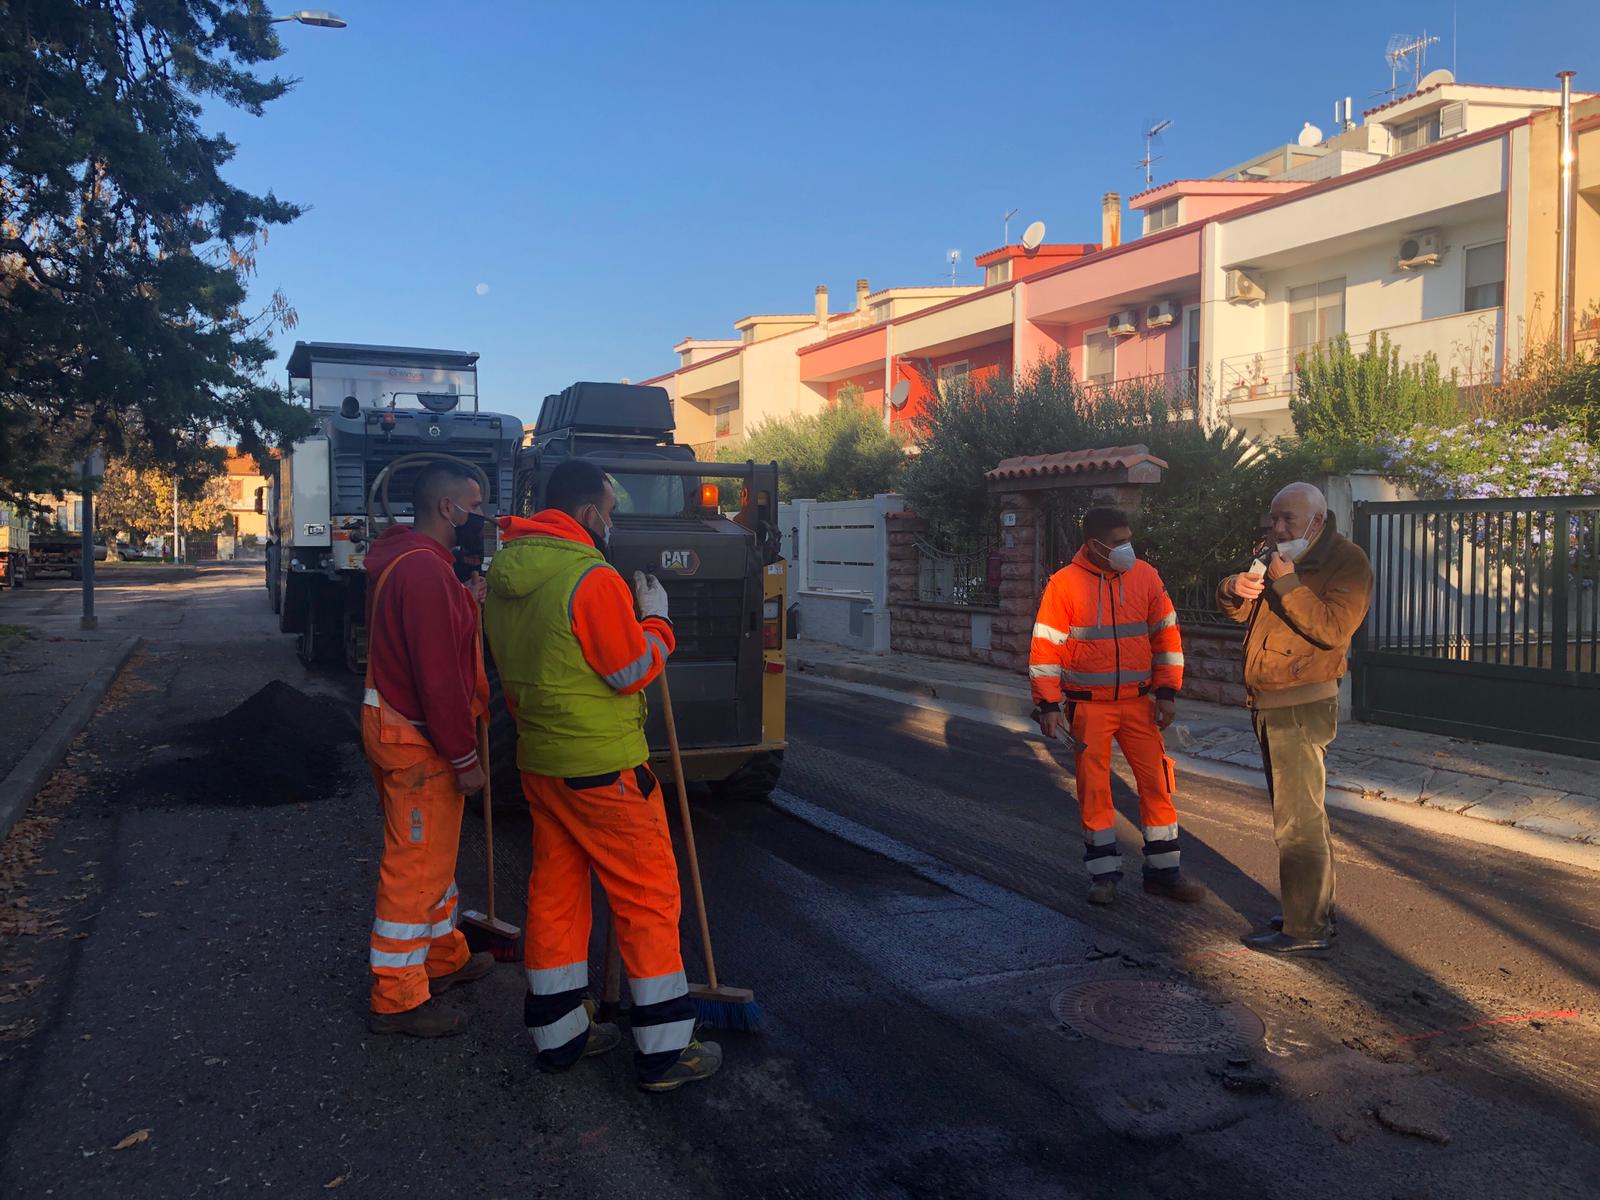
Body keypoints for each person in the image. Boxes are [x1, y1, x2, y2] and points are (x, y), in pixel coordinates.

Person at [483, 459, 721, 1093]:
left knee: (557, 895)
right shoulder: (590, 578)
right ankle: (666, 1051)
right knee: (647, 897)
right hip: (604, 769)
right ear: (588, 514)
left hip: (542, 764)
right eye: (610, 513)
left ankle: (560, 1034)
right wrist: (658, 620)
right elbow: (628, 670)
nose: (611, 524)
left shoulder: (507, 574)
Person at [362, 460, 495, 1037]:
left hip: (401, 726)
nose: (481, 520)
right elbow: (438, 680)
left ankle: (442, 958)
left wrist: (465, 600)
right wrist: (465, 760)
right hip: (416, 739)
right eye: (476, 507)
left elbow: (431, 630)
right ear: (449, 510)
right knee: (415, 866)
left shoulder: (422, 566)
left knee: (436, 857)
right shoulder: (423, 574)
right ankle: (397, 996)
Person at [1218, 482, 1372, 956]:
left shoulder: (1348, 562)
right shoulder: (1278, 553)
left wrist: (1287, 583)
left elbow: (1332, 628)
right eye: (1273, 517)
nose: (1277, 527)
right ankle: (1310, 911)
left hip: (1301, 703)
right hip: (1270, 698)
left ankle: (1304, 930)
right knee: (1303, 815)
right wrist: (1232, 588)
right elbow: (1242, 613)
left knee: (1297, 822)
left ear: (1317, 521)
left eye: (1288, 518)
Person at [1030, 507, 1207, 907]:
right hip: (1088, 708)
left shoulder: (1145, 575)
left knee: (1156, 785)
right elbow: (1045, 649)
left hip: (1139, 703)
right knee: (1095, 791)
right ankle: (1103, 875)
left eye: (1128, 539)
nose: (1126, 548)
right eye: (1116, 542)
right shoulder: (1064, 584)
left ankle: (1164, 874)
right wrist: (1047, 704)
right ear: (1093, 545)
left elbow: (1166, 635)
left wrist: (1167, 693)